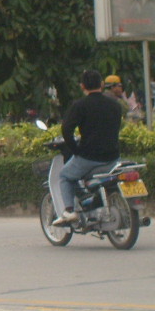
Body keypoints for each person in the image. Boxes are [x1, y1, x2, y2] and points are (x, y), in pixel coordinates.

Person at [53, 70, 123, 226]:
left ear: (82, 86)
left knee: (65, 176)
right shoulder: (115, 105)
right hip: (113, 157)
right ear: (102, 84)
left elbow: (66, 129)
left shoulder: (80, 105)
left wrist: (75, 150)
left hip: (89, 157)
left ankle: (69, 211)